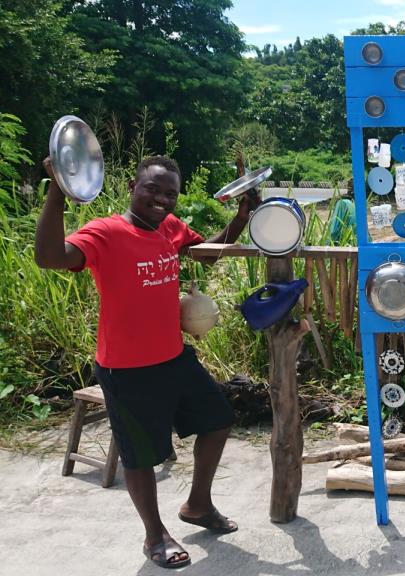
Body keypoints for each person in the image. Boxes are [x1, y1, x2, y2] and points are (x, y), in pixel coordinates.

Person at [35, 156, 258, 569]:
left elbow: (206, 254)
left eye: (170, 193)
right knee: (140, 455)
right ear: (133, 188)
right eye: (152, 188)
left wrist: (242, 216)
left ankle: (197, 505)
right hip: (126, 368)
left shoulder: (170, 228)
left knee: (218, 418)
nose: (161, 198)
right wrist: (57, 191)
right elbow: (50, 257)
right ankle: (154, 536)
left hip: (173, 357)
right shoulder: (105, 232)